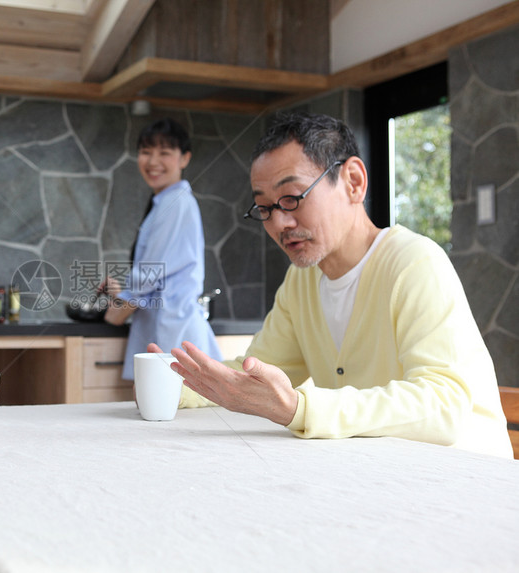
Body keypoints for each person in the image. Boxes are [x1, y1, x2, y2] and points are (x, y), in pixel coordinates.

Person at [160, 112, 511, 459]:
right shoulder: (302, 281)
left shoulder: (414, 263)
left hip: (469, 479)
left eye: (292, 198)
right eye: (265, 208)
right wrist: (176, 380)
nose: (280, 222)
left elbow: (443, 404)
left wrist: (300, 408)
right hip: (385, 473)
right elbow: (256, 374)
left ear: (354, 182)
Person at [103, 117, 221, 380]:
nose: (153, 161)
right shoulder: (165, 202)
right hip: (166, 330)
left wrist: (115, 314)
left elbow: (147, 276)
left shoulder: (176, 203)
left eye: (165, 153)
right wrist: (120, 294)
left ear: (184, 159)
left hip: (175, 334)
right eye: (146, 152)